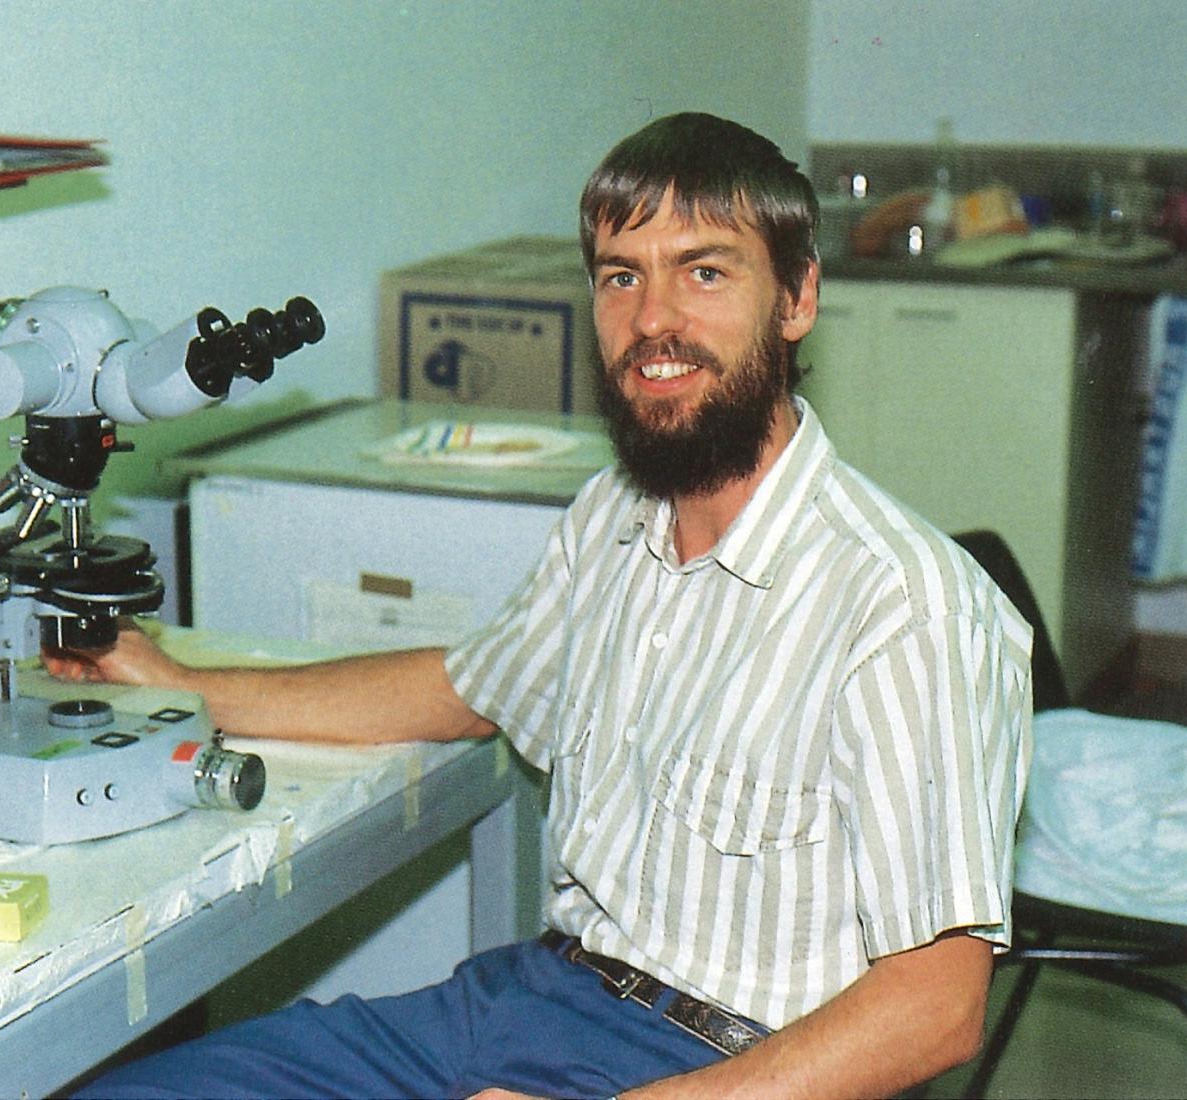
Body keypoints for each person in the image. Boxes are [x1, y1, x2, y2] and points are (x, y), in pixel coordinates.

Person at [51, 112, 1032, 1100]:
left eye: (705, 272)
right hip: (529, 997)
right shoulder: (613, 515)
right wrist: (180, 685)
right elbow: (462, 686)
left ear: (797, 296)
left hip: (740, 1064)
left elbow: (934, 1007)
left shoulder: (909, 608)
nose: (654, 319)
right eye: (621, 275)